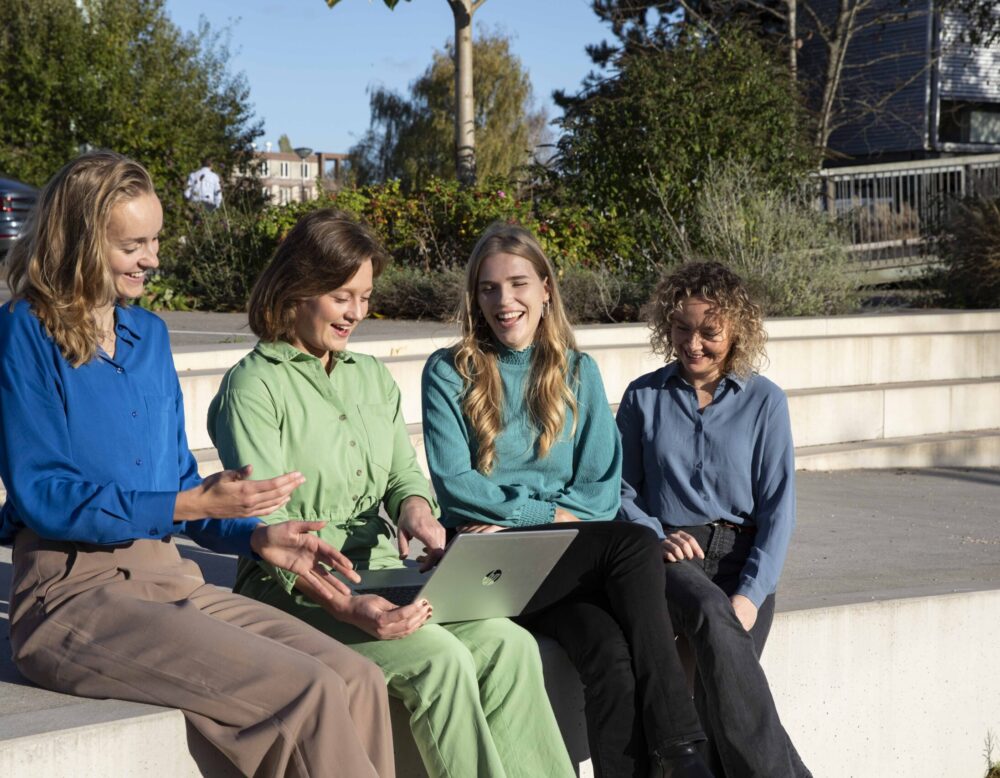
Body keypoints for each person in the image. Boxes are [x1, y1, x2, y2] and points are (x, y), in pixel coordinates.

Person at [0, 151, 395, 778]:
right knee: (309, 691)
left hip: (170, 577)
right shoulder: (24, 331)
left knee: (356, 676)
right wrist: (189, 505)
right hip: (71, 596)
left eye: (155, 239)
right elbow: (43, 493)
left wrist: (256, 535)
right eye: (133, 244)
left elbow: (181, 484)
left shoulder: (149, 337)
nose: (152, 258)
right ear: (78, 240)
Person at [208, 208, 576, 778]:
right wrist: (344, 605)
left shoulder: (369, 376)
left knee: (511, 646)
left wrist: (419, 514)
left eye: (364, 296)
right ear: (297, 289)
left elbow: (404, 476)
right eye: (341, 296)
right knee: (441, 660)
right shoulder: (253, 387)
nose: (356, 313)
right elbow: (276, 535)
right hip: (297, 591)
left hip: (384, 571)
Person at [421, 222, 714, 778]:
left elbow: (601, 490)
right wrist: (539, 515)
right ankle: (683, 748)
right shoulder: (449, 369)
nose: (503, 301)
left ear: (546, 288)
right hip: (489, 561)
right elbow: (457, 485)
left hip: (560, 557)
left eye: (517, 284)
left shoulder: (578, 371)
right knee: (632, 543)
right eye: (488, 288)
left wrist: (525, 519)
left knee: (610, 655)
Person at [616, 261, 811, 777]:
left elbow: (778, 507)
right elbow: (619, 490)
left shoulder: (765, 400)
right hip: (672, 556)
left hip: (743, 558)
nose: (694, 343)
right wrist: (655, 535)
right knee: (707, 611)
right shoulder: (643, 397)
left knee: (722, 699)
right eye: (682, 328)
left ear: (737, 331)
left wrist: (751, 593)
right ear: (667, 326)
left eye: (709, 331)